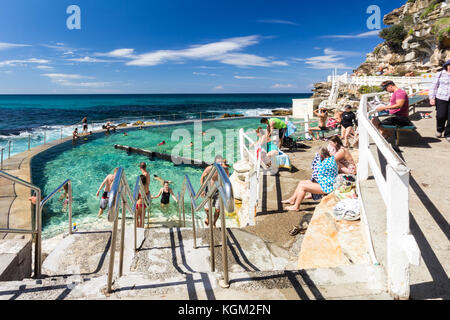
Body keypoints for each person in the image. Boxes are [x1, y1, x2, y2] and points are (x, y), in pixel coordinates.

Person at [282, 147, 338, 212]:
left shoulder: (325, 163)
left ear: (322, 155)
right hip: (326, 183)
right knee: (301, 182)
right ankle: (292, 199)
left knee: (303, 187)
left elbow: (317, 172)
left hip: (327, 187)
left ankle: (296, 207)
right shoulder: (331, 159)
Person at [201, 155, 230, 227]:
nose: (219, 165)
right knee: (207, 209)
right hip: (209, 190)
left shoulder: (224, 170)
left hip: (219, 191)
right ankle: (208, 217)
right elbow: (202, 177)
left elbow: (227, 180)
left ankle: (214, 222)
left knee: (218, 210)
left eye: (220, 163)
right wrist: (202, 189)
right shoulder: (209, 168)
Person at [429, 60, 450, 142]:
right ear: (446, 66)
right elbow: (434, 86)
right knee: (441, 116)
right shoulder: (440, 74)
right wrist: (432, 98)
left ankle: (448, 133)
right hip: (441, 97)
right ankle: (439, 129)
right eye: (449, 65)